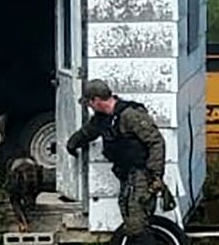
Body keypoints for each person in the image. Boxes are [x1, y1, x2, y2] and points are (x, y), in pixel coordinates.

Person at [64, 79, 168, 235]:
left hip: (141, 176)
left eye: (89, 103)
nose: (89, 107)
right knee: (129, 216)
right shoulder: (103, 118)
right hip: (127, 176)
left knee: (137, 223)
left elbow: (156, 142)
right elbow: (87, 132)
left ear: (97, 100)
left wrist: (156, 175)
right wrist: (72, 144)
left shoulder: (130, 115)